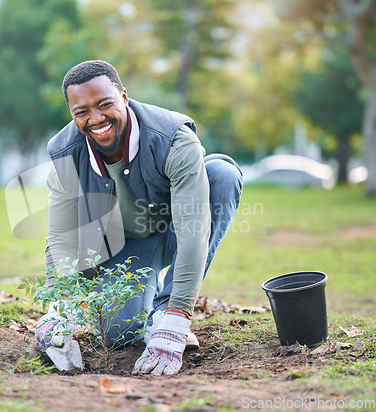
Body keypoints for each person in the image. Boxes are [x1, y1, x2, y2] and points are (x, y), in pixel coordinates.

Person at [35, 60, 242, 376]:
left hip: (175, 229)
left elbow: (192, 230)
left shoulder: (173, 137)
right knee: (121, 335)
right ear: (72, 114)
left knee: (222, 175)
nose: (96, 118)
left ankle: (163, 310)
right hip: (126, 247)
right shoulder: (65, 154)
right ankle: (144, 310)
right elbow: (61, 239)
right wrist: (59, 309)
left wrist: (177, 314)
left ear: (124, 97)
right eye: (82, 112)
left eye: (105, 104)